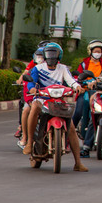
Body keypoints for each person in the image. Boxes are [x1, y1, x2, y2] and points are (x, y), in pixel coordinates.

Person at [22, 41, 88, 171]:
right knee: (34, 106)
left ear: (59, 56)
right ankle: (29, 142)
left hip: (58, 101)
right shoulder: (38, 68)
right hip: (42, 99)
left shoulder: (63, 68)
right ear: (45, 55)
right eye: (49, 54)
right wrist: (32, 89)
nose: (51, 57)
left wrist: (77, 87)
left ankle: (78, 163)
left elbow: (71, 81)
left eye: (54, 54)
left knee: (72, 128)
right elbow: (31, 82)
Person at [72, 40, 102, 141]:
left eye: (99, 51)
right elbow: (76, 76)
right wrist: (80, 85)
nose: (97, 53)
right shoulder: (84, 64)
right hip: (85, 91)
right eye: (95, 51)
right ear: (90, 51)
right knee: (78, 111)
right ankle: (69, 131)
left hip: (99, 92)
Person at [15, 46, 45, 145]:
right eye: (38, 56)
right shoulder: (33, 70)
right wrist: (30, 101)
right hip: (33, 99)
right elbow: (27, 87)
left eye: (42, 56)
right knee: (26, 110)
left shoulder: (55, 69)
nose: (40, 59)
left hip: (46, 99)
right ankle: (25, 137)